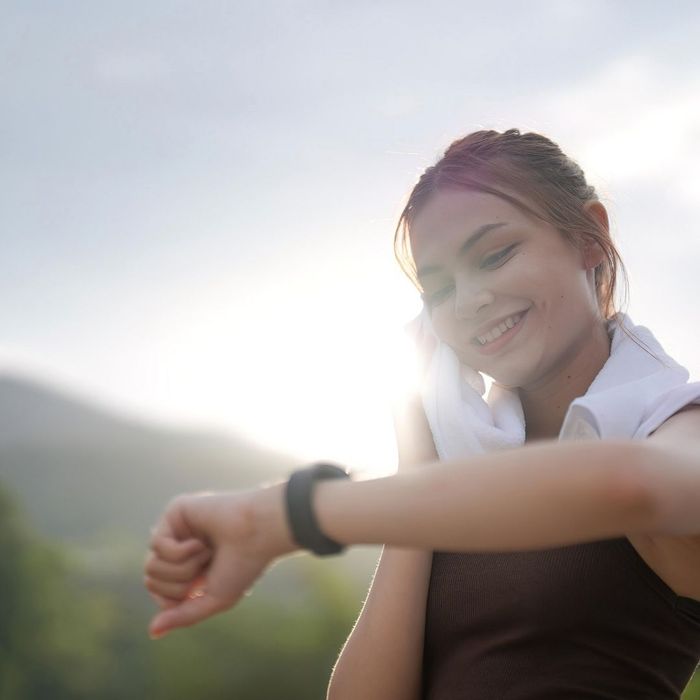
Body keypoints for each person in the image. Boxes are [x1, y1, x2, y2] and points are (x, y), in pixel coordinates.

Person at [143, 129, 700, 699]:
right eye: (438, 288)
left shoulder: (675, 425)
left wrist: (280, 517)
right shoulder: (458, 473)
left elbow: (633, 486)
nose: (467, 301)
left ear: (590, 237)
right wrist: (418, 458)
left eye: (496, 254)